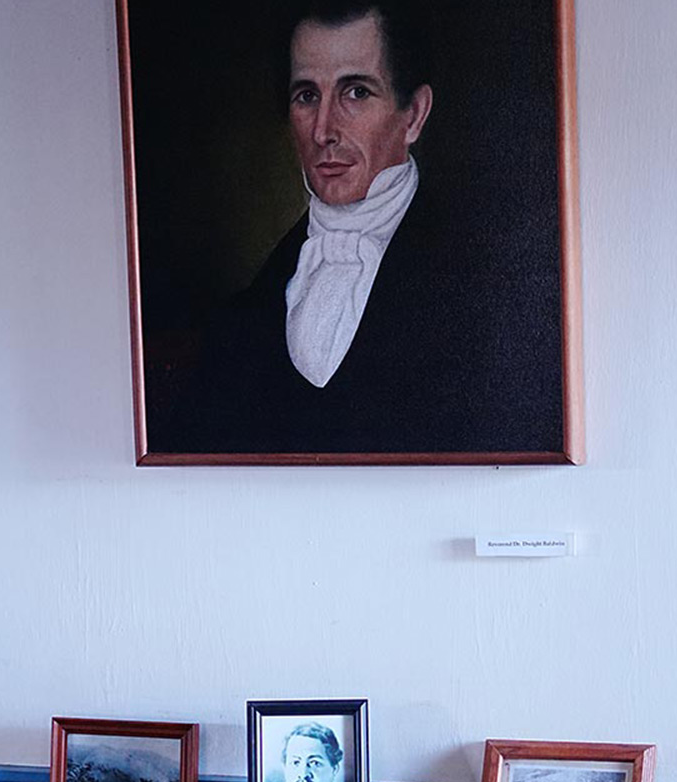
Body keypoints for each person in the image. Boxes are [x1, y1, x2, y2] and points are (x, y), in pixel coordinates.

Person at [172, 0, 564, 456]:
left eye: (355, 92)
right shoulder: (244, 316)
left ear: (414, 114)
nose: (324, 131)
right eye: (307, 96)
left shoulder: (494, 283)